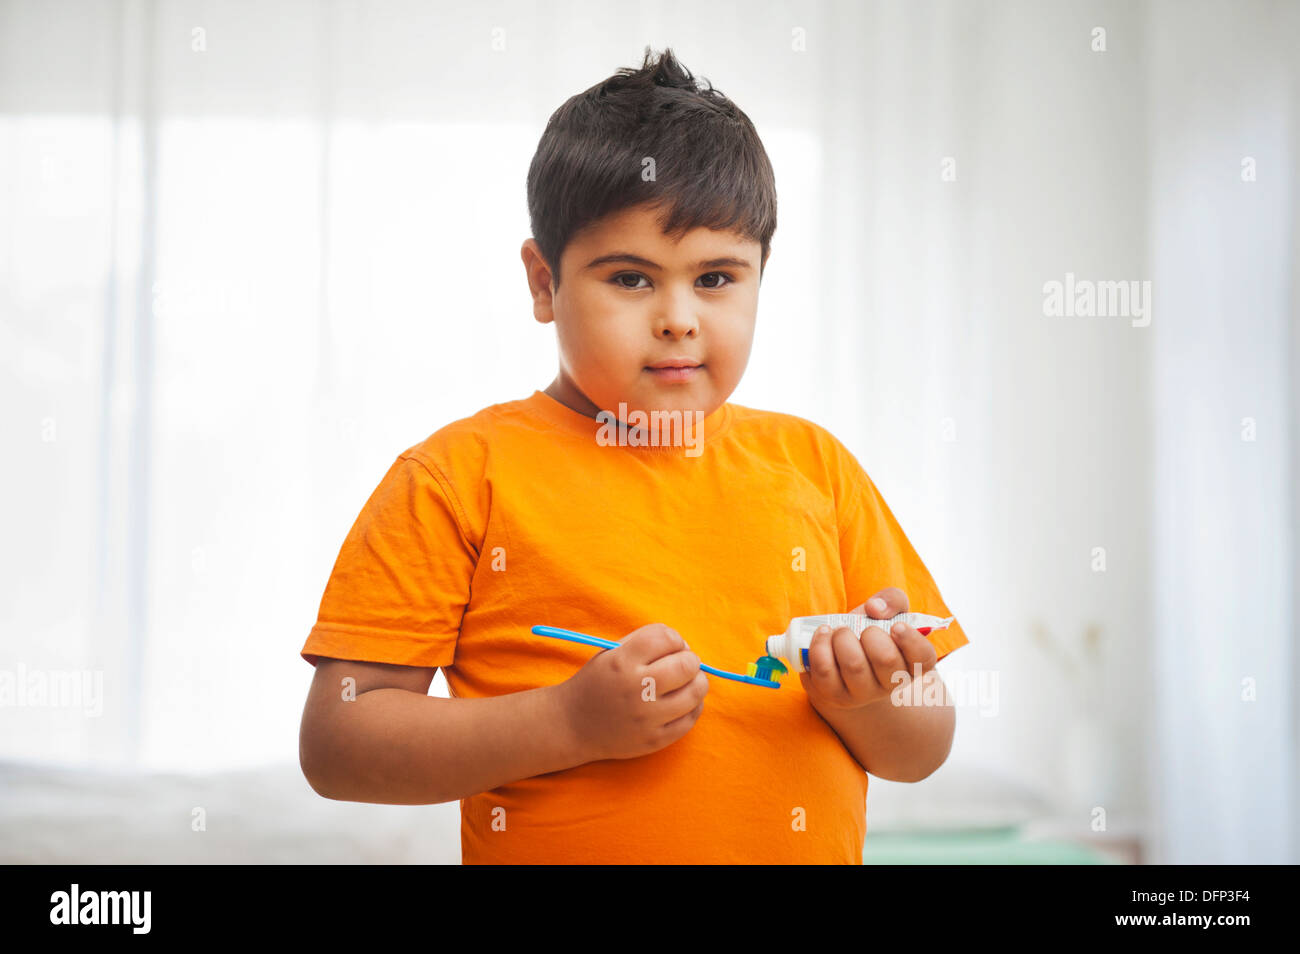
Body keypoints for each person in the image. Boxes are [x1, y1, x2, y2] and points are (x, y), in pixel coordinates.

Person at [298, 46, 968, 864]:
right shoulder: (458, 476)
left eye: (717, 278)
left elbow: (922, 749)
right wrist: (566, 723)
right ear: (543, 283)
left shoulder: (816, 468)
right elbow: (339, 741)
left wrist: (868, 696)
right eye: (630, 279)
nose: (680, 318)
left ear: (762, 278)